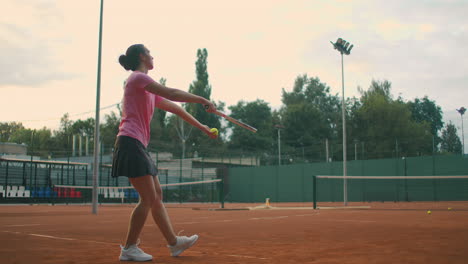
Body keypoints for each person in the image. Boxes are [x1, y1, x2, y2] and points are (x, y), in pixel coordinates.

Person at [112, 44, 217, 262]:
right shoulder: (137, 79)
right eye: (149, 53)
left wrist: (204, 128)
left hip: (138, 145)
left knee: (156, 196)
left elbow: (177, 108)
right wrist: (202, 99)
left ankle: (174, 243)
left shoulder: (148, 91)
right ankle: (129, 248)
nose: (152, 56)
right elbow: (172, 93)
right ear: (142, 56)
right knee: (148, 198)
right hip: (130, 142)